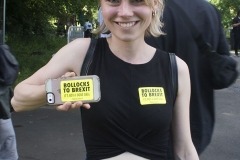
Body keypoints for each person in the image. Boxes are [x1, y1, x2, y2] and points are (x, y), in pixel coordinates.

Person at [11, 0, 199, 159]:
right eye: (113, 0)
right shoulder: (81, 52)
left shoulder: (176, 68)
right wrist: (62, 90)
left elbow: (184, 149)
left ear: (155, 5)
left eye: (137, 0)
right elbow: (18, 100)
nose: (124, 12)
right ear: (102, 5)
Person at [145, 0, 231, 157]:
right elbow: (222, 67)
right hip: (199, 121)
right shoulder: (209, 10)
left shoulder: (152, 10)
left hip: (155, 126)